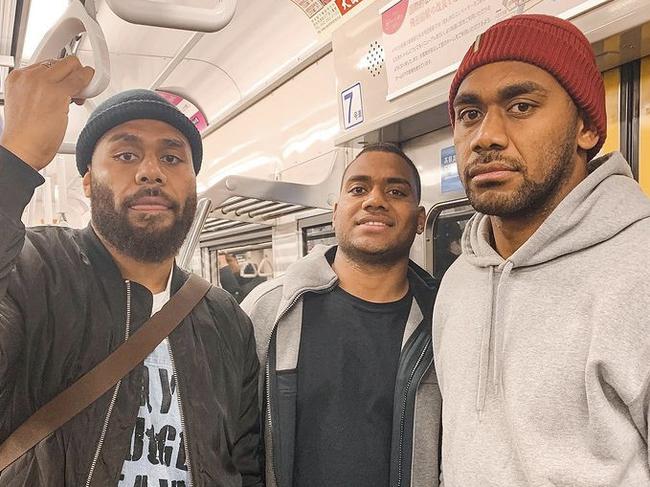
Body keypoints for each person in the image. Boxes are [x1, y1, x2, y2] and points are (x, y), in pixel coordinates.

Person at [0, 56, 262, 486]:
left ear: (193, 182)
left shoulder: (225, 318)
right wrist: (14, 163)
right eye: (126, 155)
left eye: (173, 159)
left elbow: (245, 458)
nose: (151, 172)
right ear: (87, 181)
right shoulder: (33, 271)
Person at [434, 14, 650, 486]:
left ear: (587, 129)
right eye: (469, 114)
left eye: (521, 106)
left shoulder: (642, 269)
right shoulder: (457, 281)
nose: (485, 136)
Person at [242, 142, 441, 487]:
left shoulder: (444, 318)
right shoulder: (270, 309)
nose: (375, 200)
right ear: (335, 212)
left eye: (396, 190)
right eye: (359, 189)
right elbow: (235, 438)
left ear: (421, 220)